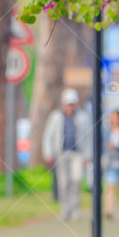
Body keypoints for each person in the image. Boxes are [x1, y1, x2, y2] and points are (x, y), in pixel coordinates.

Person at [42, 88, 92, 221]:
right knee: (63, 182)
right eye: (68, 103)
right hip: (61, 153)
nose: (70, 106)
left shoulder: (83, 117)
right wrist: (48, 153)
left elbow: (88, 137)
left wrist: (88, 155)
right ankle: (65, 209)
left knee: (76, 180)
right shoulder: (56, 116)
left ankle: (75, 209)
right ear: (64, 104)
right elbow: (48, 136)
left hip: (78, 153)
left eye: (72, 103)